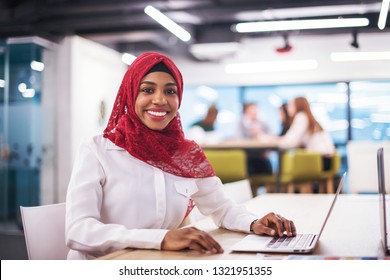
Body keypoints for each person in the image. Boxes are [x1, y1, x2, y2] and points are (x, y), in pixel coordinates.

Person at [65, 52, 296, 260]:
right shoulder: (97, 150)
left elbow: (221, 208)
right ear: (130, 93)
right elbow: (78, 230)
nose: (160, 100)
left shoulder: (186, 154)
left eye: (170, 91)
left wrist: (255, 223)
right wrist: (161, 239)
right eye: (147, 89)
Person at [278, 96, 335, 170]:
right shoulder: (308, 117)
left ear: (298, 106)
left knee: (288, 165)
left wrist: (271, 141)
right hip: (327, 160)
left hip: (320, 161)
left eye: (291, 105)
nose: (288, 108)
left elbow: (290, 141)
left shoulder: (301, 117)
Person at [236, 102, 274, 175]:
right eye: (251, 111)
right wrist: (251, 137)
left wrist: (260, 134)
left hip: (262, 156)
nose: (254, 113)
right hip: (248, 157)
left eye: (256, 111)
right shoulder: (241, 124)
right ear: (245, 113)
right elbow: (239, 140)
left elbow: (272, 137)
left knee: (267, 168)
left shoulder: (263, 123)